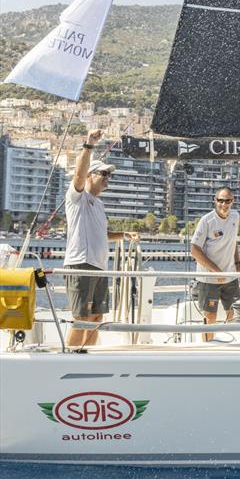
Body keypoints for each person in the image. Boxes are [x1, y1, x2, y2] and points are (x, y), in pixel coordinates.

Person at [63, 129, 137, 348]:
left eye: (109, 175)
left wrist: (123, 235)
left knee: (97, 319)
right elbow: (78, 175)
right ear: (89, 176)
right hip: (81, 265)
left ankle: (88, 356)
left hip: (100, 267)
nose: (107, 178)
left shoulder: (99, 205)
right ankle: (70, 358)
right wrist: (89, 145)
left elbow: (103, 235)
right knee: (82, 319)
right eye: (103, 174)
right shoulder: (77, 198)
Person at [190, 187, 240, 342]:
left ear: (232, 202)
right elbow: (194, 250)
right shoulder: (207, 221)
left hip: (230, 275)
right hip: (209, 279)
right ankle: (208, 346)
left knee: (232, 312)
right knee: (210, 315)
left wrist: (238, 264)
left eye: (227, 200)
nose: (224, 204)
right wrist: (216, 271)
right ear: (215, 201)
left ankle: (228, 343)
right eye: (220, 200)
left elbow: (233, 241)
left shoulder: (235, 216)